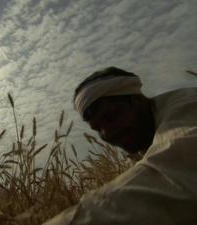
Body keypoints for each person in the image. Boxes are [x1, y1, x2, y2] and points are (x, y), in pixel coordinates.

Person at [43, 67, 197, 225]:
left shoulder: (187, 107)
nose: (107, 133)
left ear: (138, 99)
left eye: (110, 116)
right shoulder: (145, 139)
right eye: (97, 129)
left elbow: (171, 182)